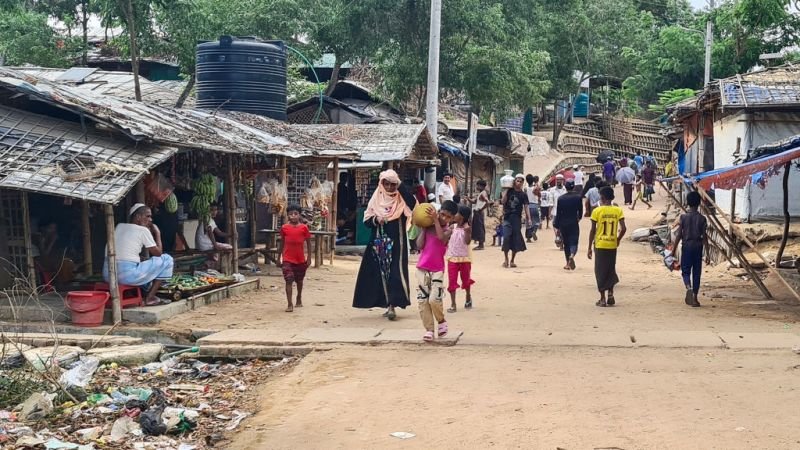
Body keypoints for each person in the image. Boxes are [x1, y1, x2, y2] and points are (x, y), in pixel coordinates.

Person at [353, 170, 417, 320]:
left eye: (392, 184)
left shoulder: (401, 199)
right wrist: (377, 219)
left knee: (395, 272)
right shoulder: (376, 199)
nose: (389, 187)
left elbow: (413, 204)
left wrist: (401, 187)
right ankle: (386, 303)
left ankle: (392, 305)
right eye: (386, 184)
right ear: (381, 184)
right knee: (379, 273)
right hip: (378, 243)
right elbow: (367, 220)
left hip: (397, 243)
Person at [104, 203, 174, 306]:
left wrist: (141, 259)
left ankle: (142, 294)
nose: (150, 220)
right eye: (148, 216)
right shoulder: (143, 230)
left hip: (108, 274)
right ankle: (149, 298)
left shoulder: (119, 226)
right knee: (167, 259)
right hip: (126, 277)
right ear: (138, 217)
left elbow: (124, 254)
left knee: (143, 262)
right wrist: (157, 233)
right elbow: (158, 253)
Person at [415, 200, 457, 341]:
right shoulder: (429, 227)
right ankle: (429, 330)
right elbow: (419, 245)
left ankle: (441, 320)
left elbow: (441, 238)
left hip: (437, 269)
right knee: (423, 301)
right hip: (422, 268)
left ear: (452, 219)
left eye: (448, 217)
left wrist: (435, 221)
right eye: (442, 215)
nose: (444, 218)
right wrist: (424, 228)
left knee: (434, 299)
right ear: (438, 212)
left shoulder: (448, 230)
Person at [587, 187, 627, 307]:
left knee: (600, 271)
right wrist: (618, 239)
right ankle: (610, 294)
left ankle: (602, 298)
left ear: (602, 197)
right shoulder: (618, 210)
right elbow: (624, 228)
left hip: (600, 244)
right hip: (612, 244)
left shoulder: (597, 211)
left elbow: (592, 230)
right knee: (610, 269)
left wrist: (589, 247)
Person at [673, 191, 707, 307]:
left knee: (686, 270)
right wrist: (706, 252)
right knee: (697, 273)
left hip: (687, 246)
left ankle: (688, 287)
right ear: (699, 203)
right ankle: (695, 298)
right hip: (698, 246)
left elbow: (679, 235)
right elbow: (705, 237)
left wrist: (673, 250)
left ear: (688, 203)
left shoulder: (683, 217)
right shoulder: (702, 219)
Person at [278, 205, 312, 312]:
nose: (293, 216)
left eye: (295, 214)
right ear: (288, 215)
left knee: (299, 281)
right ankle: (289, 304)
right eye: (291, 214)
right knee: (288, 279)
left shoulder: (304, 228)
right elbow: (282, 243)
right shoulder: (284, 228)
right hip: (287, 259)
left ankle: (299, 297)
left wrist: (309, 258)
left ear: (299, 215)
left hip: (300, 259)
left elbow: (309, 243)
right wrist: (279, 257)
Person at [446, 205, 474, 312]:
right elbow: (445, 236)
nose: (454, 215)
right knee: (452, 281)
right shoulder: (453, 227)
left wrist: (467, 232)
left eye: (457, 213)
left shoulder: (467, 228)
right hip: (452, 258)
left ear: (462, 217)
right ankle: (453, 304)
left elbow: (467, 242)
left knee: (465, 280)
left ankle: (468, 296)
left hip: (464, 259)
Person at [501, 174, 530, 268]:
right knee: (506, 237)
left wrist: (529, 219)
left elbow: (526, 207)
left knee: (515, 239)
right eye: (517, 180)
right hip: (507, 218)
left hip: (517, 219)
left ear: (523, 183)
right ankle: (506, 259)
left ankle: (512, 260)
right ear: (514, 181)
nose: (519, 182)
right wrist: (506, 191)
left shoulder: (523, 195)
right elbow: (503, 201)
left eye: (521, 181)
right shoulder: (509, 191)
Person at [553, 181, 583, 270]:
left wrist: (557, 225)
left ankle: (567, 263)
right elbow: (580, 212)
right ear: (574, 187)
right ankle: (572, 255)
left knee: (566, 243)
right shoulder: (578, 197)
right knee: (574, 242)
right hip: (573, 222)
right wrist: (578, 219)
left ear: (565, 187)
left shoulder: (561, 199)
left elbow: (558, 213)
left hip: (563, 223)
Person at [469, 179, 489, 250]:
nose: (477, 187)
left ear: (481, 186)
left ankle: (481, 245)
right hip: (477, 212)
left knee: (480, 228)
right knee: (478, 228)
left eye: (477, 185)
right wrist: (468, 199)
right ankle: (480, 244)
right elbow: (474, 202)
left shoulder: (483, 193)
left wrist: (481, 209)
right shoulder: (481, 193)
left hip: (479, 212)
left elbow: (487, 202)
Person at [549, 174, 567, 248]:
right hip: (555, 212)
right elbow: (551, 202)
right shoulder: (552, 190)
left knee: (563, 228)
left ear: (563, 180)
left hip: (564, 212)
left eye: (560, 179)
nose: (559, 181)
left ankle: (561, 241)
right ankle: (558, 237)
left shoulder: (566, 189)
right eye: (557, 179)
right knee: (556, 227)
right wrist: (549, 213)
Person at [525, 174, 541, 242]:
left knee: (528, 221)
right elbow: (539, 195)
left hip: (527, 206)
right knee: (537, 221)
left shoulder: (525, 188)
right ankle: (534, 231)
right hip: (534, 205)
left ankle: (528, 238)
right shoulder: (535, 188)